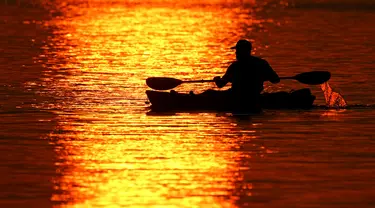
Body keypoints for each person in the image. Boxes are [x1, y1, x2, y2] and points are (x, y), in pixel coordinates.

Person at [213, 39, 280, 112]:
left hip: (237, 99)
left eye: (238, 51)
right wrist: (263, 76)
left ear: (245, 51)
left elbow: (220, 84)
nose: (236, 53)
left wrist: (216, 79)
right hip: (255, 97)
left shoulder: (235, 66)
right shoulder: (261, 63)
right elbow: (276, 80)